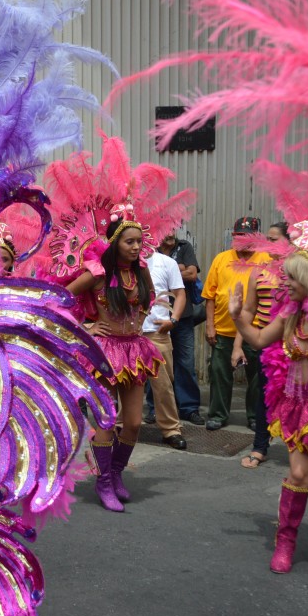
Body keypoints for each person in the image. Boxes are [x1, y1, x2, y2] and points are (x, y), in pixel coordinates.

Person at [228, 246, 308, 573]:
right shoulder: (289, 312)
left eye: (291, 276)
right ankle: (286, 540)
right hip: (301, 407)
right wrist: (238, 316)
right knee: (299, 474)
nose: (284, 282)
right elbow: (260, 339)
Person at [67, 217, 162, 512]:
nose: (136, 247)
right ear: (114, 244)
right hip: (105, 354)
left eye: (139, 242)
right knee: (107, 420)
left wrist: (142, 317)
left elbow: (151, 296)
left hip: (134, 351)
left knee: (133, 422)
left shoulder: (141, 271)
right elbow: (57, 299)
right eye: (129, 242)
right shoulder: (96, 274)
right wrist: (85, 328)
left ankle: (117, 473)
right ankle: (104, 482)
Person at [201, 217, 271, 430]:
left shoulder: (266, 259)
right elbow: (210, 296)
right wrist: (210, 325)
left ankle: (254, 415)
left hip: (256, 330)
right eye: (239, 235)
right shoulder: (221, 259)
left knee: (257, 378)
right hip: (223, 330)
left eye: (247, 235)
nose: (242, 239)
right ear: (233, 236)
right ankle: (218, 415)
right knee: (219, 375)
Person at [236, 222, 292, 468]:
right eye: (267, 239)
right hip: (267, 346)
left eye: (274, 239)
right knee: (265, 397)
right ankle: (260, 447)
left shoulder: (301, 272)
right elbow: (247, 310)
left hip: (296, 346)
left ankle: (300, 447)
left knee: (297, 400)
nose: (268, 245)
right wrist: (240, 344)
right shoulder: (258, 272)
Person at [141, 250, 188, 449]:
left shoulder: (166, 262)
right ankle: (120, 425)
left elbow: (180, 294)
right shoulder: (120, 261)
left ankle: (171, 429)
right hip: (127, 334)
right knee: (124, 384)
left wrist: (173, 320)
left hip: (157, 332)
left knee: (163, 385)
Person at [157, 230, 205, 424]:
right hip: (157, 317)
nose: (169, 233)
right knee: (157, 365)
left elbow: (192, 275)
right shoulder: (150, 250)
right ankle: (155, 409)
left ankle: (189, 408)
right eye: (165, 228)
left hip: (183, 316)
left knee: (185, 363)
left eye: (173, 228)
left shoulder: (184, 247)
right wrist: (178, 270)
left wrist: (166, 272)